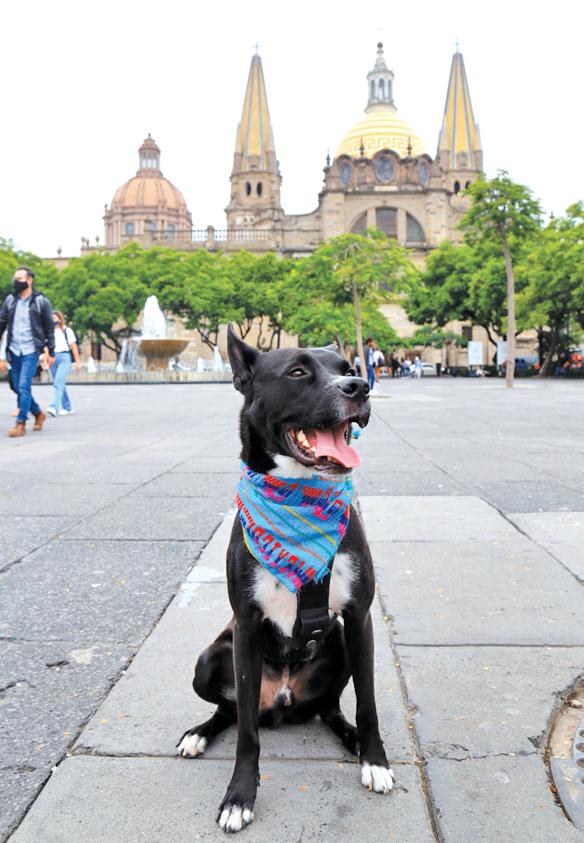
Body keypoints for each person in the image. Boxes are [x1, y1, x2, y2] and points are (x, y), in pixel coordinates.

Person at [0, 266, 55, 437]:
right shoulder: (10, 301)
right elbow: (1, 324)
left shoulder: (41, 302)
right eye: (15, 278)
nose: (16, 282)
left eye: (20, 279)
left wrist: (51, 352)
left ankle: (20, 423)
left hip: (31, 351)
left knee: (24, 385)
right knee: (17, 386)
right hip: (14, 350)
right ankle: (38, 413)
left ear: (29, 280)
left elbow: (49, 329)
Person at [47, 311, 81, 416]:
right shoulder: (48, 331)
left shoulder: (66, 330)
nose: (53, 320)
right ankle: (68, 407)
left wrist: (78, 362)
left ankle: (54, 407)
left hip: (64, 357)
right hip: (52, 357)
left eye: (55, 318)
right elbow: (46, 347)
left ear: (60, 319)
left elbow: (73, 346)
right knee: (59, 383)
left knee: (58, 382)